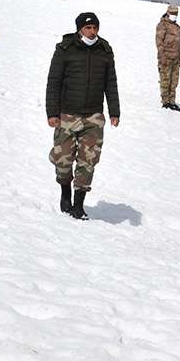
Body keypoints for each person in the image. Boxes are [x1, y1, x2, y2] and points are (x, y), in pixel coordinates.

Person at [46, 12, 121, 220]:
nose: (92, 31)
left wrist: (114, 111)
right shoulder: (65, 49)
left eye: (95, 27)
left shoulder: (104, 50)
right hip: (67, 114)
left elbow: (110, 83)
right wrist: (52, 113)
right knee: (63, 159)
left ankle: (78, 205)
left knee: (88, 161)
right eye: (88, 28)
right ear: (80, 29)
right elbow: (53, 82)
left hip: (94, 116)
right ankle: (65, 193)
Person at [156, 4, 180, 111]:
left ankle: (172, 101)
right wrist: (162, 57)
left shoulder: (177, 27)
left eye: (176, 14)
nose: (174, 15)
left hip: (175, 59)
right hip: (166, 58)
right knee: (165, 81)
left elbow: (178, 44)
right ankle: (165, 102)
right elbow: (159, 42)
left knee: (174, 81)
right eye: (172, 13)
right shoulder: (162, 25)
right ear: (168, 13)